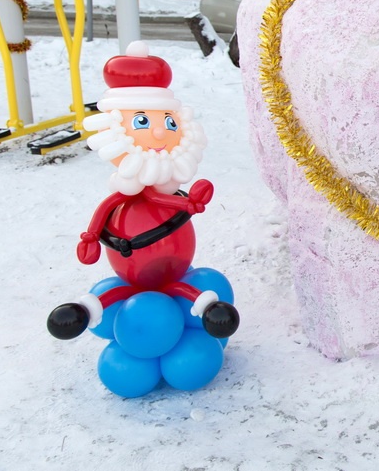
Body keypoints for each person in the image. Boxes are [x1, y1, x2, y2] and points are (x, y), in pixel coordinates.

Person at [47, 41, 239, 341]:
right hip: (131, 265)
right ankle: (87, 309)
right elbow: (110, 206)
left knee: (178, 280)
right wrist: (91, 236)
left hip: (174, 265)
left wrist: (189, 204)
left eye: (168, 122)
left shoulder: (166, 188)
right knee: (128, 291)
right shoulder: (126, 195)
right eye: (142, 122)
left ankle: (201, 304)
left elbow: (159, 197)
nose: (160, 132)